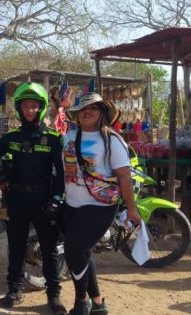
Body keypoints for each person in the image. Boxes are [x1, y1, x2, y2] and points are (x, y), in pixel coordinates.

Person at [0, 82, 66, 313]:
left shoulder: (53, 139)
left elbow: (63, 173)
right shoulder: (11, 137)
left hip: (44, 201)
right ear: (19, 108)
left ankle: (54, 295)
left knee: (49, 249)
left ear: (41, 108)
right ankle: (14, 291)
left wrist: (56, 198)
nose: (30, 110)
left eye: (34, 106)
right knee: (16, 248)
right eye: (25, 106)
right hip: (16, 200)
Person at [62, 92, 141, 314]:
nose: (86, 112)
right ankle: (98, 303)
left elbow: (124, 176)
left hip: (100, 206)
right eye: (82, 109)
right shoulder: (69, 137)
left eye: (93, 108)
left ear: (102, 113)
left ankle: (80, 302)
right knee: (82, 252)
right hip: (71, 204)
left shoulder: (112, 140)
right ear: (76, 115)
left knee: (73, 250)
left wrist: (132, 210)